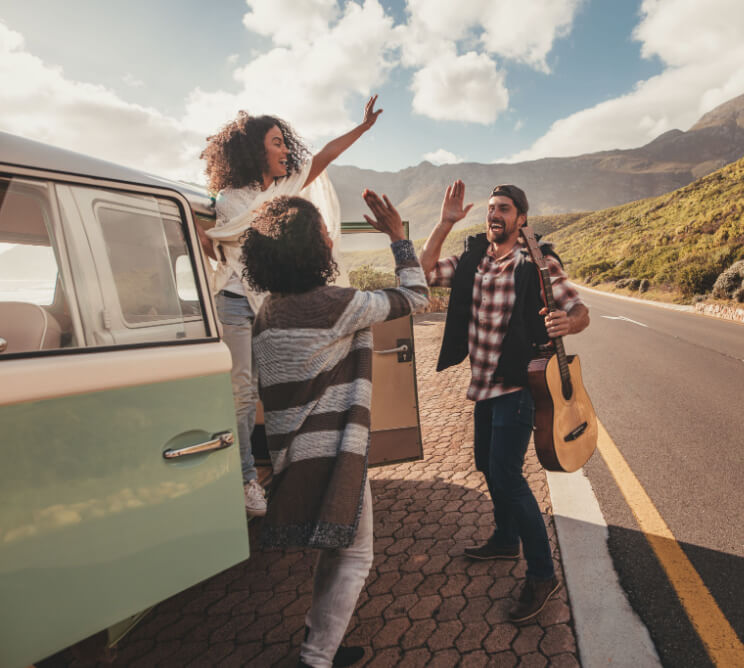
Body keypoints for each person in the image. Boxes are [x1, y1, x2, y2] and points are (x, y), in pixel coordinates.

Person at [242, 192, 428, 667]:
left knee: (335, 547)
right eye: (324, 231)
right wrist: (399, 239)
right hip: (335, 456)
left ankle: (319, 638)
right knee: (355, 558)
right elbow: (415, 297)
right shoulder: (334, 306)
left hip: (293, 455)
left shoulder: (267, 311)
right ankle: (317, 657)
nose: (330, 237)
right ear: (312, 248)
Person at [199, 96, 382, 517]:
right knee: (243, 394)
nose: (285, 150)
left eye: (285, 143)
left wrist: (363, 128)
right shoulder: (228, 198)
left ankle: (290, 473)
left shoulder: (284, 188)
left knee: (281, 389)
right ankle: (246, 480)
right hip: (234, 301)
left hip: (270, 303)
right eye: (276, 143)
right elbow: (223, 239)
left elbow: (324, 156)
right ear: (254, 150)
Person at [419, 181, 590, 622]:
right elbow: (423, 271)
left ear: (522, 219)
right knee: (486, 465)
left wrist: (565, 324)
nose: (496, 214)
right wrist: (444, 223)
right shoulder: (473, 259)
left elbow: (580, 311)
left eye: (506, 209)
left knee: (507, 476)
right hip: (483, 385)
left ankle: (542, 574)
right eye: (492, 208)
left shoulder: (537, 262)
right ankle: (504, 538)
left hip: (518, 386)